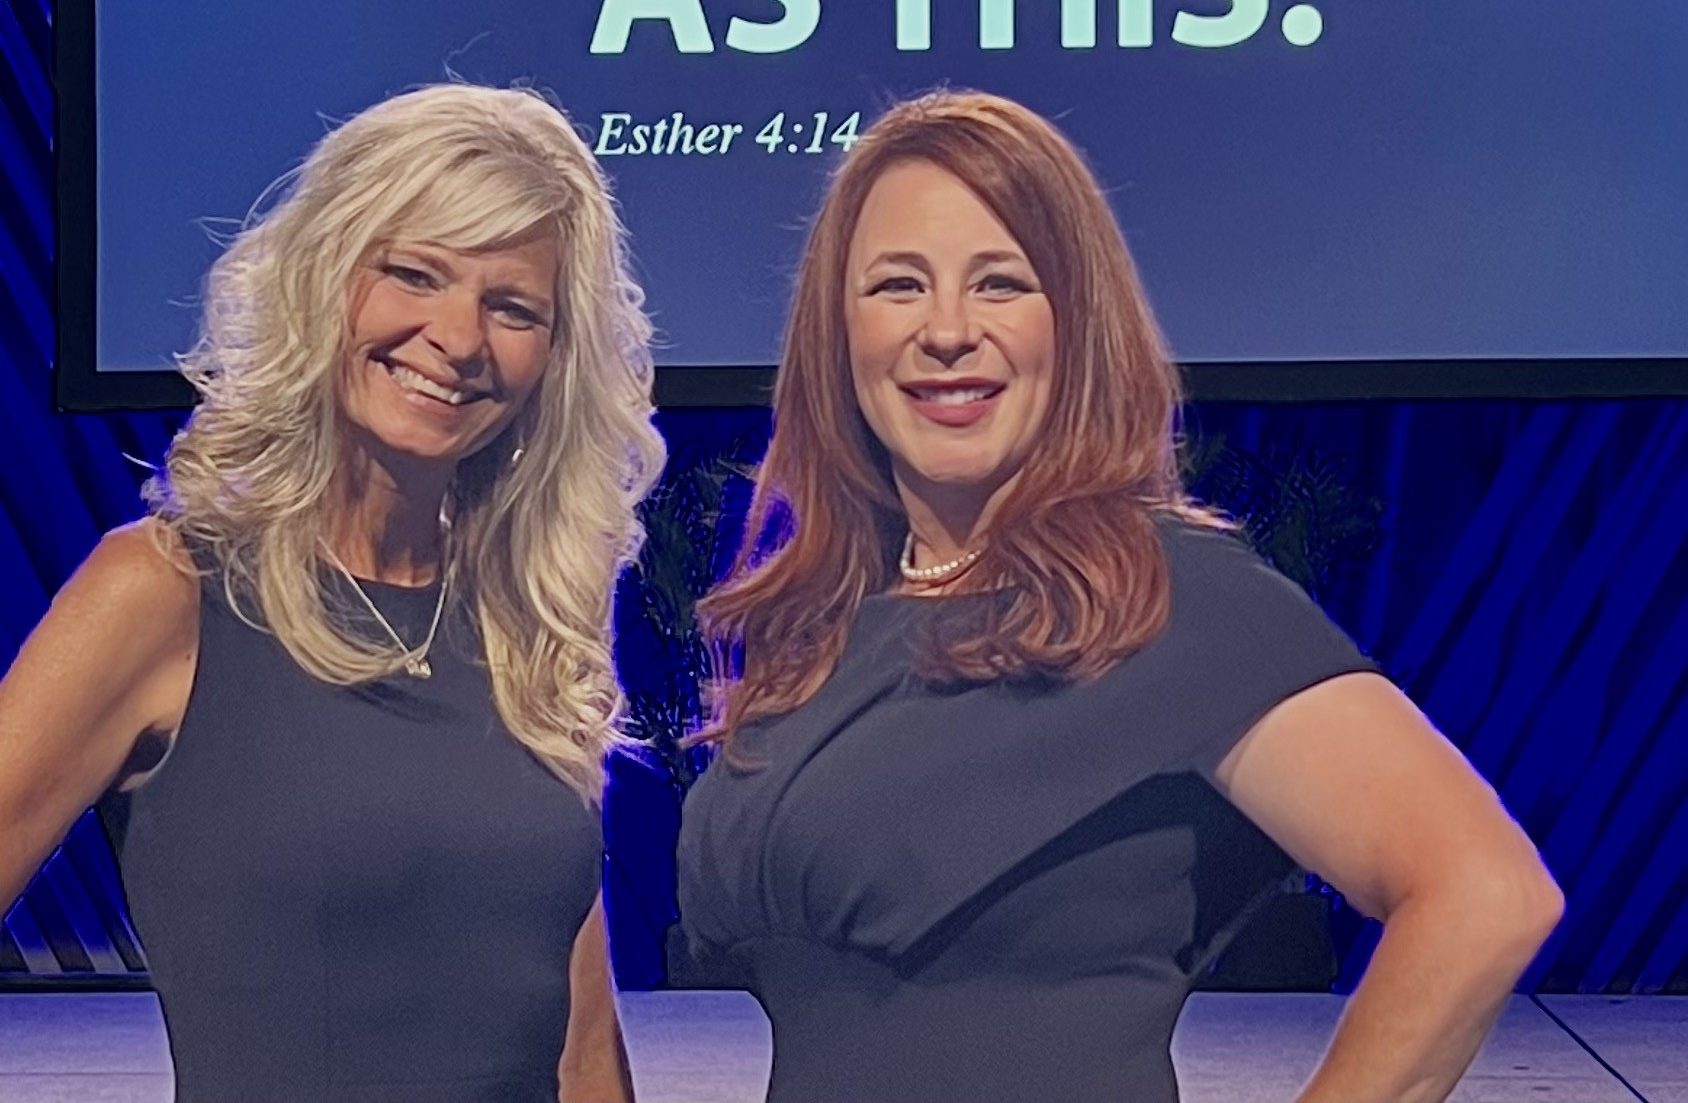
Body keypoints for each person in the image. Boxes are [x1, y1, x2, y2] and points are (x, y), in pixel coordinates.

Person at [673, 90, 1563, 1103]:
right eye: (897, 286)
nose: (947, 330)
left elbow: (1483, 892)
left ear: (1076, 325)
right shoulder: (820, 628)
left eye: (1001, 283)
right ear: (837, 332)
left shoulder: (1168, 599)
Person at [0, 84, 664, 1103]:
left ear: (553, 358)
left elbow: (580, 1048)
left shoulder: (531, 613)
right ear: (323, 277)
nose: (459, 337)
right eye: (415, 274)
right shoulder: (165, 592)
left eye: (512, 308)